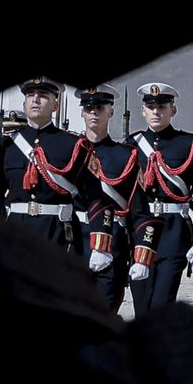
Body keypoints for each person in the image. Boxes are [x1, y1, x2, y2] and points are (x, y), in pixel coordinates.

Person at [0, 78, 115, 270]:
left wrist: (101, 243)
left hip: (57, 232)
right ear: (24, 103)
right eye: (30, 95)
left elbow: (96, 198)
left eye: (43, 96)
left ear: (55, 105)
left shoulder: (74, 145)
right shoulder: (7, 146)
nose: (36, 100)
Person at [127, 82, 193, 317]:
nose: (156, 112)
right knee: (142, 305)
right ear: (143, 111)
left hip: (173, 232)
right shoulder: (131, 145)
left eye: (162, 106)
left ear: (172, 110)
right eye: (151, 106)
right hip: (140, 230)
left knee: (161, 303)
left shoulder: (190, 144)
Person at [77, 85, 140, 313]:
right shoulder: (70, 151)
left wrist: (140, 252)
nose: (94, 113)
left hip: (113, 244)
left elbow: (136, 207)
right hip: (75, 242)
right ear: (82, 112)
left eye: (100, 107)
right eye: (89, 108)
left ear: (110, 111)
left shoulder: (125, 155)